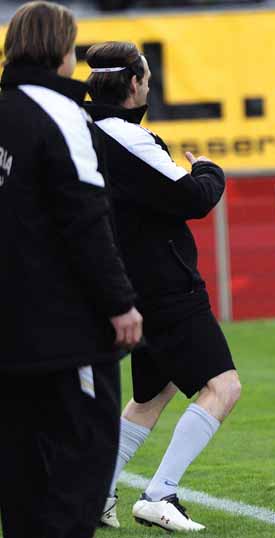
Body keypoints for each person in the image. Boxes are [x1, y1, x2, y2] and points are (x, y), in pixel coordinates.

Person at [83, 41, 241, 531]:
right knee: (223, 387)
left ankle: (96, 492)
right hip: (164, 285)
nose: (149, 87)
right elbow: (192, 197)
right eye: (147, 78)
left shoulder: (80, 130)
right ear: (134, 84)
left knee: (153, 394)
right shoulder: (127, 137)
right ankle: (160, 493)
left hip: (124, 284)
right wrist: (209, 169)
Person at [0, 3, 143, 537]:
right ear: (62, 49)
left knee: (21, 481)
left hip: (9, 335)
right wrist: (120, 303)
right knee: (78, 476)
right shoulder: (63, 113)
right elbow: (85, 215)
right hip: (64, 333)